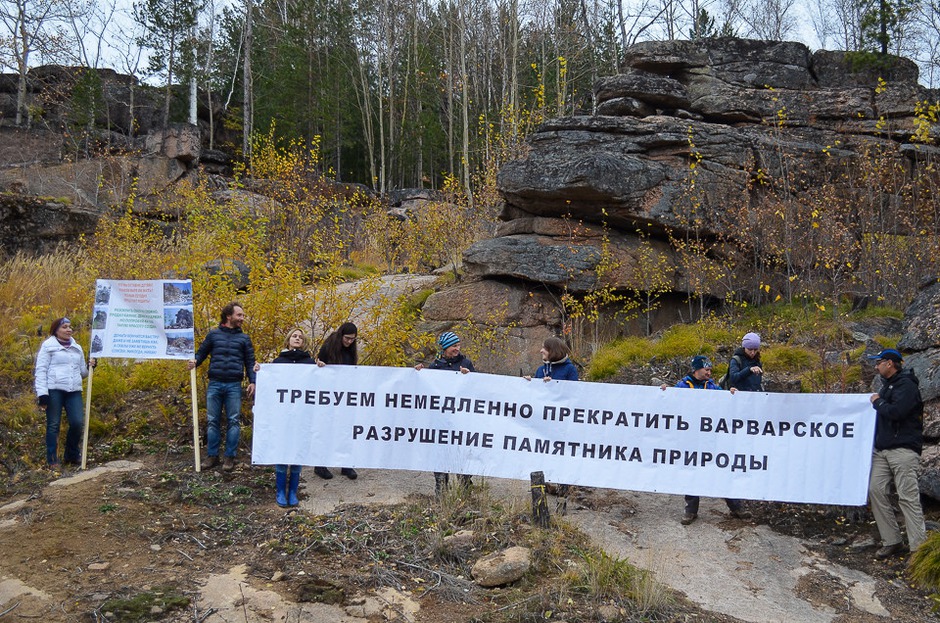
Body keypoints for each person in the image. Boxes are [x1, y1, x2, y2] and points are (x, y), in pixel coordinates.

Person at [662, 355, 750, 525]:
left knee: (722, 470)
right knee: (692, 473)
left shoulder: (712, 387)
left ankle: (736, 507)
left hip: (711, 439)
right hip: (691, 439)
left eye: (710, 369)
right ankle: (691, 510)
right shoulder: (682, 386)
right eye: (706, 369)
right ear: (696, 370)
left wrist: (731, 395)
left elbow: (724, 402)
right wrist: (665, 392)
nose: (710, 372)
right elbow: (670, 401)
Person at [867, 348, 927, 559]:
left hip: (903, 450)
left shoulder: (907, 386)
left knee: (907, 497)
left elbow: (896, 412)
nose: (876, 366)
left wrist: (877, 402)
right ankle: (892, 540)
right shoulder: (887, 387)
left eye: (879, 362)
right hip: (882, 450)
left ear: (890, 363)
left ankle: (918, 550)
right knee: (875, 490)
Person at [188, 302, 256, 472]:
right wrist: (194, 361)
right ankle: (212, 456)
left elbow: (250, 362)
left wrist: (252, 381)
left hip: (234, 385)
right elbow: (201, 353)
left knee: (233, 421)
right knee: (212, 421)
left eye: (242, 315)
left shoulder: (244, 339)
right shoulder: (213, 335)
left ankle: (229, 457)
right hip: (215, 384)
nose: (242, 318)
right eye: (239, 315)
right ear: (229, 316)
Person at [257, 328, 316, 507]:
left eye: (300, 337)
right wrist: (260, 370)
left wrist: (321, 368)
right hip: (283, 415)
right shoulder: (278, 362)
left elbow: (317, 384)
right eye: (294, 336)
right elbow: (270, 385)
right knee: (282, 451)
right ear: (288, 340)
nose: (297, 338)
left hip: (301, 415)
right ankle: (281, 491)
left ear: (303, 342)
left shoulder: (309, 363)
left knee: (297, 452)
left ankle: (293, 491)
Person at [416, 331, 475, 494]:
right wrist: (418, 374)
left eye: (458, 345)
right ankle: (441, 485)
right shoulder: (435, 366)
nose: (457, 348)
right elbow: (427, 388)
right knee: (440, 452)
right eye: (453, 346)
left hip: (460, 418)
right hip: (440, 419)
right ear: (445, 348)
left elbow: (477, 386)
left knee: (461, 451)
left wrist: (468, 377)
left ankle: (465, 484)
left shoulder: (466, 363)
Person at [34, 317, 94, 467]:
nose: (69, 330)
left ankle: (71, 454)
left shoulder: (77, 347)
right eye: (65, 327)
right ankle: (53, 459)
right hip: (54, 390)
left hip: (73, 390)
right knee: (53, 424)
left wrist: (90, 367)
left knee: (77, 422)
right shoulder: (48, 347)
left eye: (70, 327)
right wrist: (42, 394)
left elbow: (82, 373)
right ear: (56, 330)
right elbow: (41, 370)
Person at [314, 322, 359, 480]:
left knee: (345, 429)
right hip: (328, 395)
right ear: (341, 335)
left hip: (344, 395)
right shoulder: (329, 347)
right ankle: (320, 464)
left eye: (352, 339)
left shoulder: (351, 350)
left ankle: (346, 464)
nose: (349, 342)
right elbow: (318, 366)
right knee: (326, 429)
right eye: (347, 338)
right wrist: (320, 364)